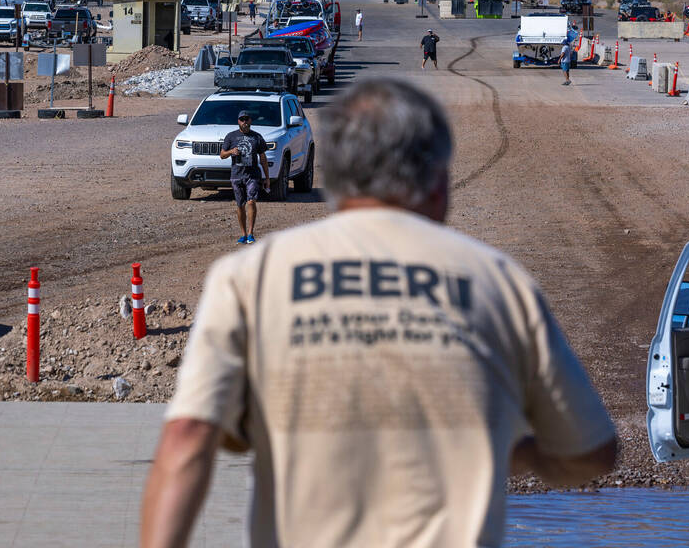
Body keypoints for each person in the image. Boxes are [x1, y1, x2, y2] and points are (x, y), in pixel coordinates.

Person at [142, 79, 617, 548]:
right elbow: (591, 451)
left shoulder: (251, 275)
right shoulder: (498, 282)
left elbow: (187, 438)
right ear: (439, 181)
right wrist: (501, 446)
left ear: (339, 177)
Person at [219, 110, 270, 244]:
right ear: (238, 121)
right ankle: (243, 234)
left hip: (253, 174)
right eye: (242, 119)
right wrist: (231, 151)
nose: (245, 122)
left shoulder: (257, 137)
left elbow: (263, 158)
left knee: (251, 201)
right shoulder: (231, 136)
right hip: (236, 175)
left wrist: (267, 177)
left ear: (250, 121)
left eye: (247, 119)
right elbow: (222, 155)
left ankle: (250, 233)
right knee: (240, 204)